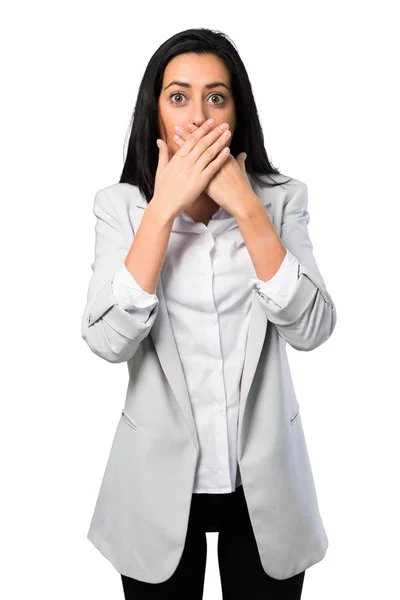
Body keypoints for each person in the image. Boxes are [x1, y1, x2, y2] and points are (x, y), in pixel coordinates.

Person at [81, 27, 337, 600]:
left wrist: (246, 206)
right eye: (179, 97)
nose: (198, 116)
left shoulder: (280, 198)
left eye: (216, 97)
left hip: (265, 478)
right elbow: (106, 341)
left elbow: (313, 327)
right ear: (155, 114)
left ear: (237, 113)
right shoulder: (120, 207)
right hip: (156, 481)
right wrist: (162, 210)